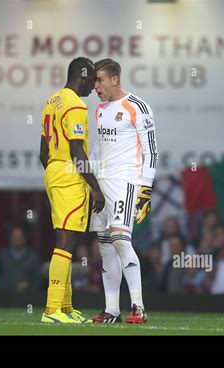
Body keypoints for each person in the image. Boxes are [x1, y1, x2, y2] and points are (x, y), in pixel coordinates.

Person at [89, 58, 158, 324]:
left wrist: (145, 191)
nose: (95, 86)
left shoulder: (137, 107)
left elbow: (151, 150)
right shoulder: (101, 110)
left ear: (114, 79)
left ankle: (138, 307)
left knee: (120, 240)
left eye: (100, 80)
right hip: (102, 183)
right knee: (105, 247)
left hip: (125, 181)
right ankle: (112, 310)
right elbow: (99, 147)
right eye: (95, 81)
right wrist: (90, 180)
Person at [39, 57, 105, 324]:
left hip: (53, 170)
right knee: (65, 242)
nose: (93, 86)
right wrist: (95, 188)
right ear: (83, 74)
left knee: (68, 240)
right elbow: (78, 150)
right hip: (69, 174)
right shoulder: (75, 104)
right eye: (92, 79)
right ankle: (52, 309)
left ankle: (65, 307)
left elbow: (43, 152)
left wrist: (55, 171)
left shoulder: (51, 102)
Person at [0, 226, 40, 293]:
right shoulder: (2, 256)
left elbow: (37, 277)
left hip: (27, 296)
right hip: (5, 296)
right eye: (14, 237)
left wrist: (30, 289)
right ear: (10, 238)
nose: (17, 239)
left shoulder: (33, 257)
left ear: (24, 239)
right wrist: (2, 286)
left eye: (19, 237)